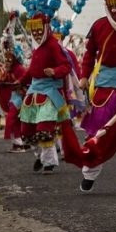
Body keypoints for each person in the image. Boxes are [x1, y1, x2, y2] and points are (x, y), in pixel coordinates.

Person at [77, 0, 116, 193]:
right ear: (106, 6)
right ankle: (89, 172)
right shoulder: (99, 26)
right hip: (103, 88)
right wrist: (84, 76)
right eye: (113, 7)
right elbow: (88, 55)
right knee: (98, 133)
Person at [20, 10, 73, 174]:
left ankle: (49, 162)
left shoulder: (53, 45)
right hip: (33, 91)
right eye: (33, 31)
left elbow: (66, 66)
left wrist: (55, 71)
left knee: (44, 128)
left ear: (46, 29)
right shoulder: (36, 48)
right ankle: (41, 156)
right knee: (26, 130)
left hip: (49, 92)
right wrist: (19, 82)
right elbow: (31, 71)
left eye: (39, 31)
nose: (36, 34)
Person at [0, 50, 29, 152]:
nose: (7, 62)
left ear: (14, 60)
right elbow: (3, 83)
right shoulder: (8, 72)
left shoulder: (20, 69)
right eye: (6, 60)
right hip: (13, 98)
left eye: (9, 60)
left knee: (11, 119)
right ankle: (17, 144)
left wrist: (20, 85)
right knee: (14, 122)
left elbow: (28, 79)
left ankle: (20, 144)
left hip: (21, 98)